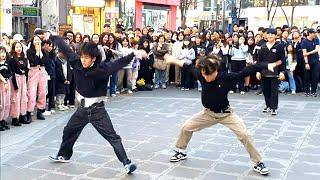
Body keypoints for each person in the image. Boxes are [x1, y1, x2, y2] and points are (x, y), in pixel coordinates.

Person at [47, 33, 147, 174]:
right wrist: (53, 37)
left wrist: (134, 54)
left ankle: (127, 163)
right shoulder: (76, 62)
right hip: (82, 109)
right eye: (82, 56)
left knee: (112, 137)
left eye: (86, 58)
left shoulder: (102, 69)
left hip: (97, 111)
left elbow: (119, 62)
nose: (83, 60)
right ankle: (64, 154)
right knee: (69, 130)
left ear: (93, 58)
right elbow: (65, 48)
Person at [164, 54, 277, 175]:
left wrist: (266, 65)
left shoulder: (226, 77)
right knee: (186, 127)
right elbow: (187, 66)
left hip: (226, 114)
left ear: (215, 71)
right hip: (208, 114)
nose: (206, 78)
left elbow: (247, 70)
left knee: (245, 135)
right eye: (204, 75)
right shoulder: (201, 74)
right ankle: (181, 151)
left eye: (209, 75)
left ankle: (258, 162)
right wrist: (172, 60)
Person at [256, 28, 286, 116]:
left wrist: (282, 72)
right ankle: (268, 105)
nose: (270, 36)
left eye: (272, 34)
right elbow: (259, 60)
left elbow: (282, 60)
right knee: (265, 90)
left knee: (274, 90)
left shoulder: (279, 46)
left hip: (275, 72)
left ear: (275, 36)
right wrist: (258, 71)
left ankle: (274, 107)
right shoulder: (263, 46)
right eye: (268, 34)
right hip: (264, 72)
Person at [301, 28, 319, 97]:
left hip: (316, 61)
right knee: (307, 77)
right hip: (307, 61)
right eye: (313, 33)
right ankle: (307, 91)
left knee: (315, 76)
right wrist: (306, 63)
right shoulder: (304, 41)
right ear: (310, 33)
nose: (315, 34)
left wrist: (307, 53)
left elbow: (316, 50)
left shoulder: (316, 40)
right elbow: (304, 53)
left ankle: (313, 91)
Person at [0, 46, 12, 131]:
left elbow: (10, 73)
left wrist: (6, 80)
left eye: (4, 52)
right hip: (1, 84)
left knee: (6, 103)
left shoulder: (7, 63)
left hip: (7, 83)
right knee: (1, 103)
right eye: (1, 52)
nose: (3, 54)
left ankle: (3, 119)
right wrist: (4, 81)